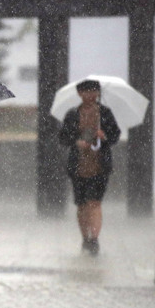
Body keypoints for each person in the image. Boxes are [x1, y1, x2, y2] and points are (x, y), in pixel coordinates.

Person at [58, 80, 120, 255]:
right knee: (82, 204)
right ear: (79, 93)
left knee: (95, 202)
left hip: (100, 165)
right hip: (78, 165)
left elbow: (115, 135)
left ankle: (94, 239)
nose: (91, 95)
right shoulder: (73, 114)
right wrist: (77, 142)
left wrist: (104, 135)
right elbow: (63, 137)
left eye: (94, 91)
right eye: (87, 92)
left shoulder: (105, 114)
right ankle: (85, 237)